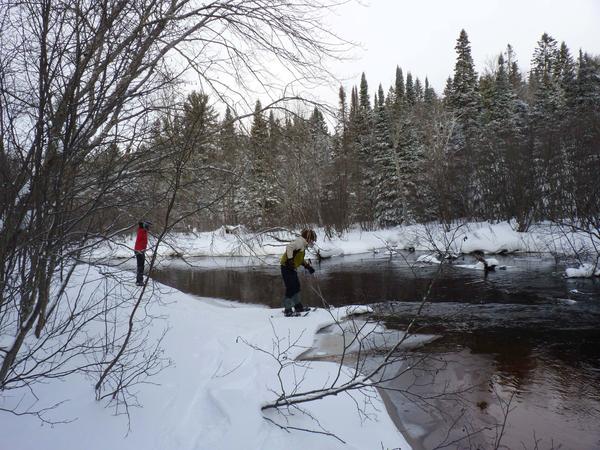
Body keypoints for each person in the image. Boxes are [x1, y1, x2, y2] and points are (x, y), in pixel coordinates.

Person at [280, 229, 316, 316]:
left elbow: (299, 259)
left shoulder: (303, 245)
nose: (313, 242)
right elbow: (289, 247)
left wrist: (307, 266)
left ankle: (298, 307)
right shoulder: (299, 242)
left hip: (291, 268)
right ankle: (287, 309)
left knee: (296, 287)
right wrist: (290, 260)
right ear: (308, 238)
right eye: (312, 240)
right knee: (291, 288)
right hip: (286, 267)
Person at [134, 221, 151, 286]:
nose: (148, 228)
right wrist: (142, 226)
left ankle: (139, 280)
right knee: (140, 266)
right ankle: (139, 281)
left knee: (141, 266)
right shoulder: (142, 231)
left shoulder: (143, 231)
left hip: (141, 250)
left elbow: (144, 241)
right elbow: (141, 238)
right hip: (139, 251)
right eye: (147, 226)